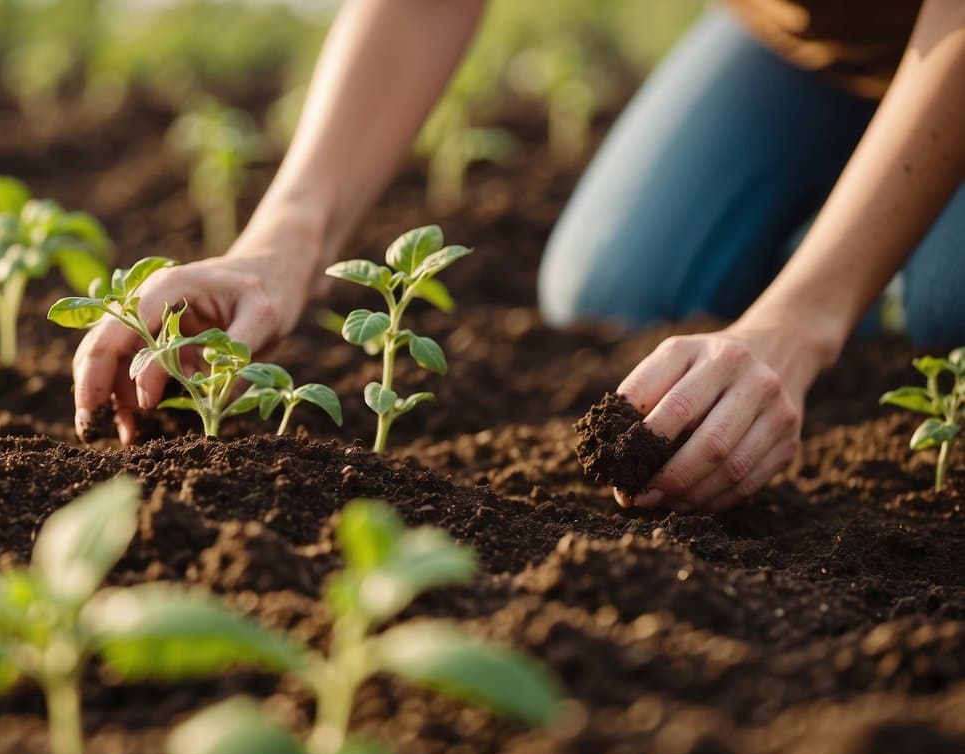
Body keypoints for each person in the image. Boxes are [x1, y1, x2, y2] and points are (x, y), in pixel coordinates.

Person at [69, 0, 965, 513]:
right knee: (615, 291)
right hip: (810, 36)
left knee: (947, 313)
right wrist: (277, 246)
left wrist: (801, 319)